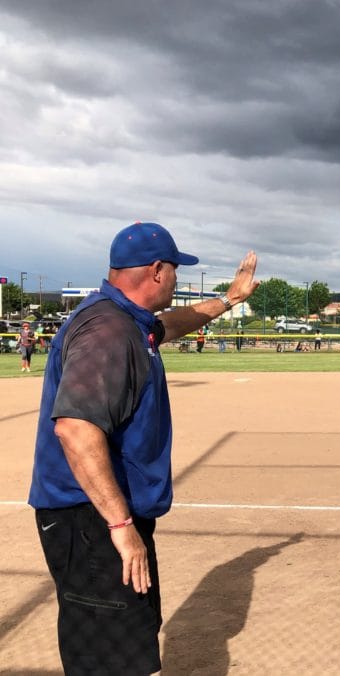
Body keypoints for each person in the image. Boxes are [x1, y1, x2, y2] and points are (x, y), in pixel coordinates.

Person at [28, 222, 259, 675]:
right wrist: (119, 524)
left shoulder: (128, 322)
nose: (177, 279)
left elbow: (169, 325)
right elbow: (75, 429)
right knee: (108, 659)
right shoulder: (108, 333)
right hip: (90, 519)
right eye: (174, 270)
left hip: (103, 513)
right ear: (156, 270)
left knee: (128, 648)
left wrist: (229, 300)